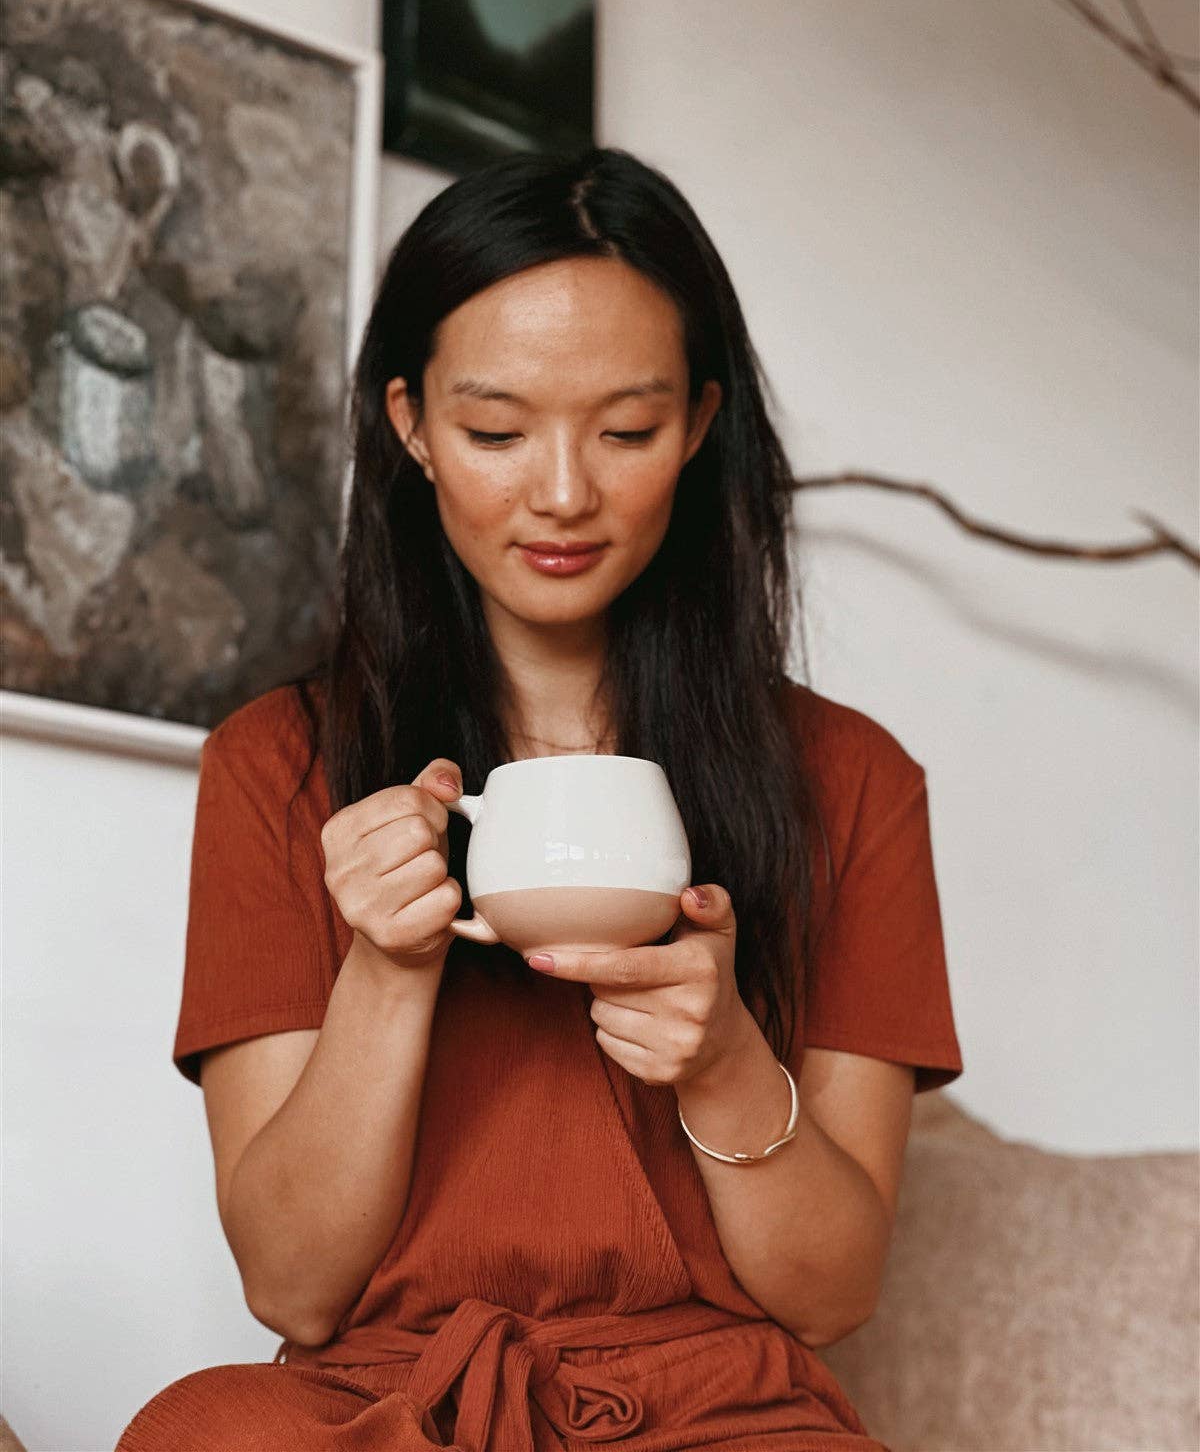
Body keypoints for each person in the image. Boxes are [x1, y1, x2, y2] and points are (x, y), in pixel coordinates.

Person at [116, 145, 963, 1451]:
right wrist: (389, 968)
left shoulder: (852, 782)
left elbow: (834, 1293)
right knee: (204, 1433)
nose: (563, 491)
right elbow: (291, 1286)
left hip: (717, 1414)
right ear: (409, 425)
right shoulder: (278, 763)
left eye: (625, 429)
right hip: (384, 1401)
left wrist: (725, 1057)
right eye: (497, 430)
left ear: (696, 424)